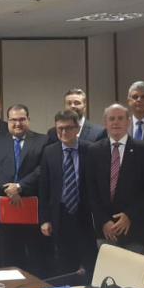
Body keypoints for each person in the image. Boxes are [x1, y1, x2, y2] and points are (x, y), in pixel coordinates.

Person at [85, 104, 144, 255]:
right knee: (109, 277)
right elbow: (90, 190)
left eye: (120, 118)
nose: (115, 122)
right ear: (105, 123)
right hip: (105, 230)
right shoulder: (94, 150)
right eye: (111, 119)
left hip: (134, 229)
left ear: (128, 122)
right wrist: (104, 221)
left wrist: (130, 216)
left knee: (134, 276)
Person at [0, 104, 48, 276]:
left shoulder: (42, 140)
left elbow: (42, 169)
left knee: (36, 255)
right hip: (7, 206)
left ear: (28, 119)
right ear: (8, 121)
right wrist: (9, 188)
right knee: (9, 254)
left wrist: (19, 187)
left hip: (32, 206)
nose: (17, 123)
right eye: (13, 119)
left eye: (22, 119)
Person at [39, 110, 98, 277]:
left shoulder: (90, 149)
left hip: (84, 214)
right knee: (64, 264)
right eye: (59, 129)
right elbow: (43, 189)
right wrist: (44, 219)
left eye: (68, 128)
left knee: (89, 262)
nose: (63, 133)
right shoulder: (49, 152)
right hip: (60, 214)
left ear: (77, 128)